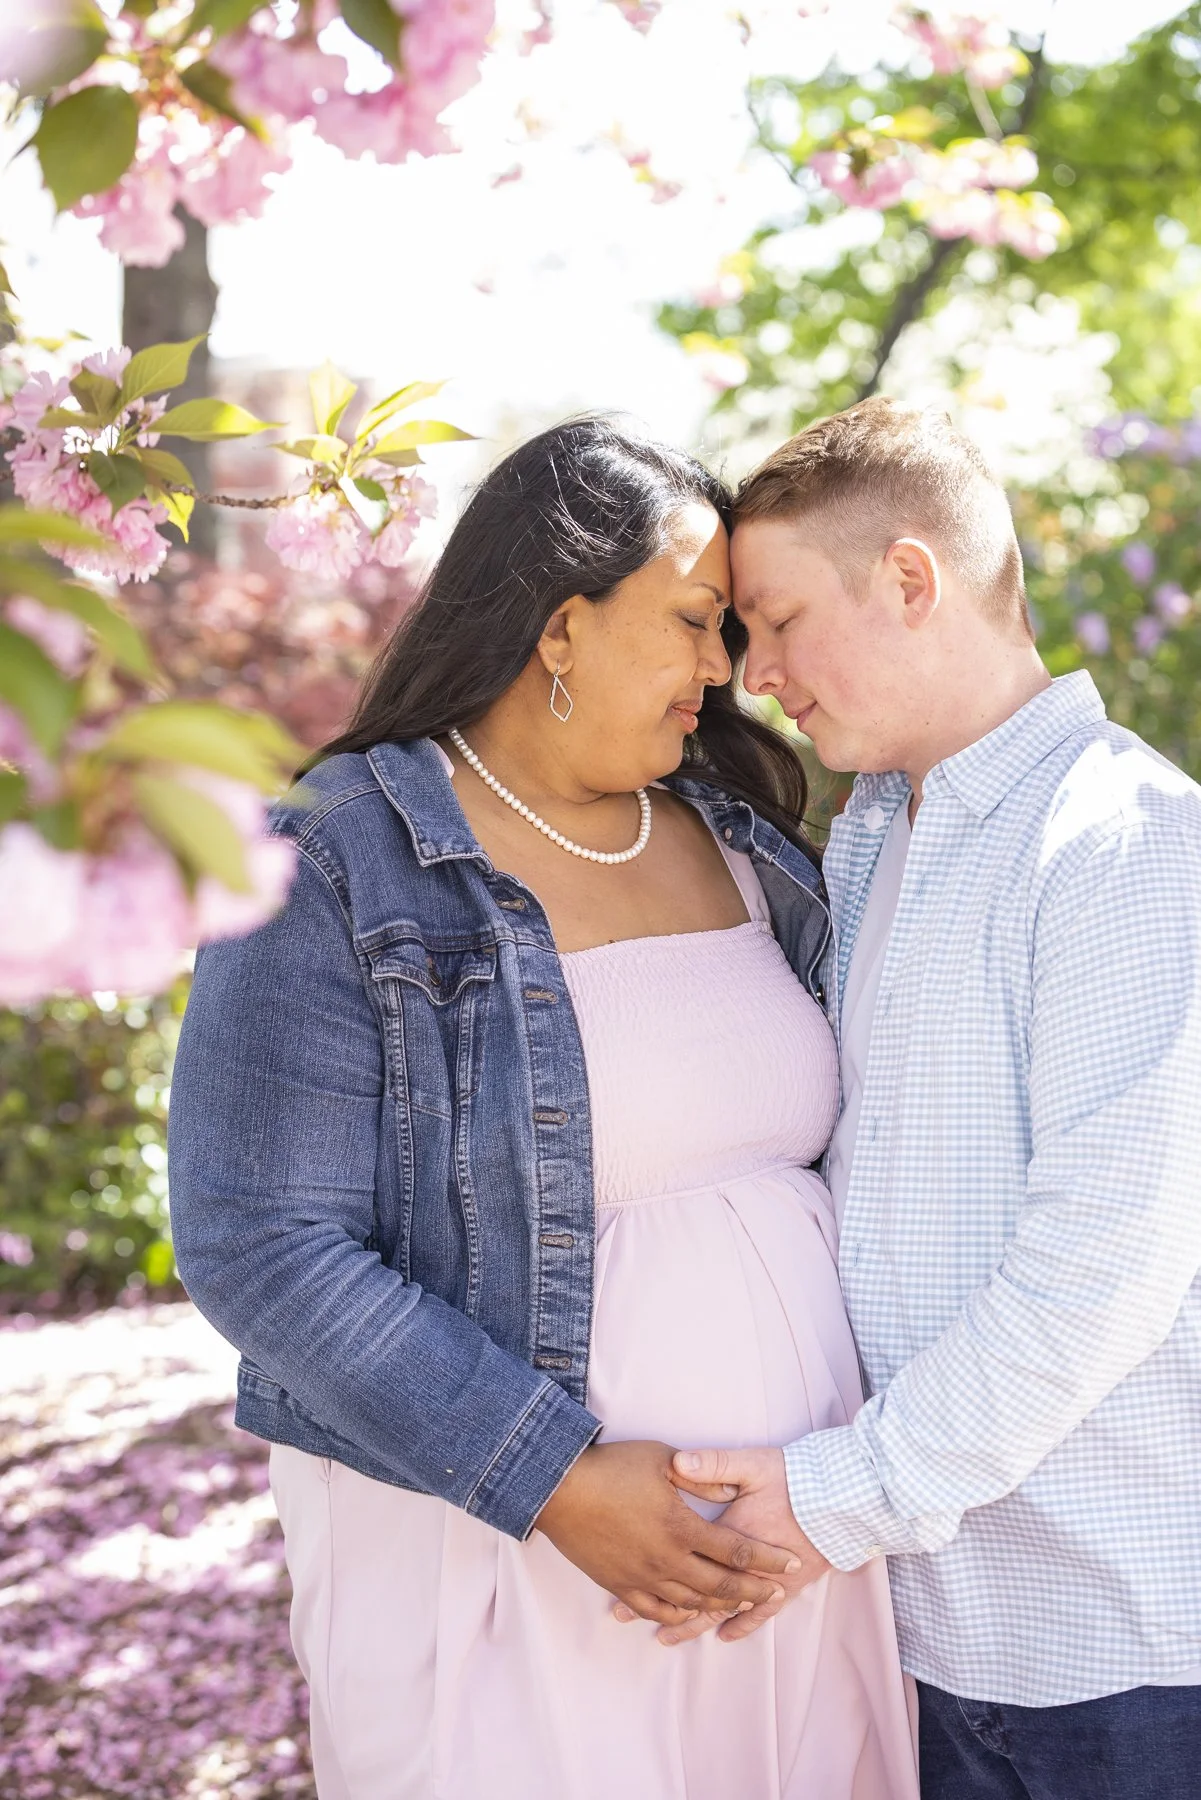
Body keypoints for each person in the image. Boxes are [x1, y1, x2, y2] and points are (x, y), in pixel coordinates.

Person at [168, 417, 918, 1800]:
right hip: (507, 1547)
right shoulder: (339, 854)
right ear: (561, 625)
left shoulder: (748, 840)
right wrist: (556, 1479)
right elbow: (257, 1241)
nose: (725, 666)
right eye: (697, 622)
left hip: (792, 1547)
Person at [665, 398, 1201, 1799]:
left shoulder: (1125, 846)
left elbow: (1104, 1268)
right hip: (926, 1633)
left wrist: (832, 1498)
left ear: (912, 579)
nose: (758, 674)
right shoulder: (875, 839)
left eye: (776, 622)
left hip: (1120, 1655)